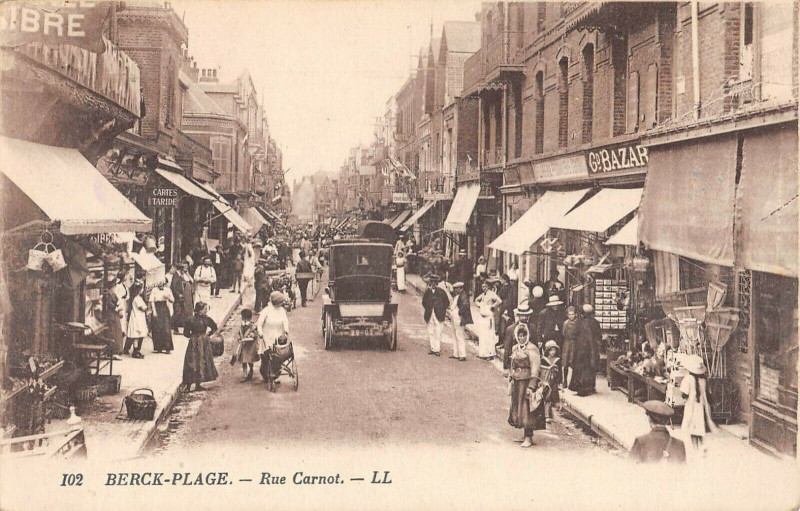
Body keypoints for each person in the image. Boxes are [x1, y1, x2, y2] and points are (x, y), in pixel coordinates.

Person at [507, 323, 547, 448]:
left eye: (524, 336)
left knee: (527, 409)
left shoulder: (532, 349)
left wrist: (531, 386)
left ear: (527, 336)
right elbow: (512, 365)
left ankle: (528, 437)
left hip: (526, 382)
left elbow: (536, 369)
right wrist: (511, 377)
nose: (522, 338)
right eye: (519, 336)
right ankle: (524, 435)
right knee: (518, 408)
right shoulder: (515, 348)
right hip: (517, 383)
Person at [680, 354, 717, 453]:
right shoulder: (704, 379)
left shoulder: (688, 379)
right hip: (702, 406)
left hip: (692, 406)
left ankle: (695, 448)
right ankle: (701, 446)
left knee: (692, 427)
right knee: (700, 427)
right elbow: (708, 393)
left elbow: (684, 394)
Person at [182, 302, 219, 392]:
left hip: (200, 342)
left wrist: (206, 335)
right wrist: (197, 337)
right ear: (199, 311)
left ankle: (197, 385)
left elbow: (214, 327)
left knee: (199, 362)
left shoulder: (205, 319)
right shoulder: (191, 320)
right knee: (192, 362)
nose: (206, 311)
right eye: (204, 309)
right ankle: (189, 385)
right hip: (196, 343)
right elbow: (185, 333)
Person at [256, 291, 290, 382]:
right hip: (266, 336)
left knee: (278, 356)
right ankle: (265, 375)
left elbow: (285, 321)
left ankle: (275, 375)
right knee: (266, 358)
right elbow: (259, 323)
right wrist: (260, 332)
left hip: (278, 337)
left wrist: (286, 330)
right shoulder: (266, 311)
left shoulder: (282, 311)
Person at [421, 274, 449, 357]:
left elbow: (446, 303)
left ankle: (437, 349)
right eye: (432, 282)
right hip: (429, 314)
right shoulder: (427, 292)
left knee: (438, 332)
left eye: (435, 282)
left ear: (437, 283)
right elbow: (424, 302)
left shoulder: (441, 292)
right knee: (430, 332)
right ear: (430, 283)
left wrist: (442, 310)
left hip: (439, 315)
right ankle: (433, 348)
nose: (433, 284)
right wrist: (428, 309)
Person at [474, 279, 502, 360]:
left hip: (488, 316)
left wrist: (492, 306)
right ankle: (483, 353)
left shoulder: (491, 294)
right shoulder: (483, 295)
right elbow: (476, 299)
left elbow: (499, 301)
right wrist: (479, 305)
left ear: (489, 287)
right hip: (482, 317)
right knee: (483, 335)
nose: (484, 288)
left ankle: (490, 354)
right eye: (483, 287)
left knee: (489, 335)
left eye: (485, 286)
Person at [503, 303, 534, 372]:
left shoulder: (532, 328)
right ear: (518, 315)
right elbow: (507, 348)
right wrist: (505, 367)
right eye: (522, 315)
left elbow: (535, 346)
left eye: (526, 315)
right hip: (515, 363)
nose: (524, 317)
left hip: (529, 363)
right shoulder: (511, 329)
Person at [102, 273, 125, 356]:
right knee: (114, 333)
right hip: (112, 314)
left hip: (115, 314)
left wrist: (118, 307)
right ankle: (115, 351)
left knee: (117, 332)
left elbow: (117, 302)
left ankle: (118, 350)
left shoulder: (112, 293)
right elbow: (110, 304)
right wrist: (116, 307)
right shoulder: (109, 294)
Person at [149, 281, 174, 354]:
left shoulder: (167, 290)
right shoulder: (154, 290)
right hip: (157, 307)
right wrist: (154, 311)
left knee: (166, 328)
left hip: (164, 307)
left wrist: (168, 297)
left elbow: (172, 300)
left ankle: (167, 347)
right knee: (157, 328)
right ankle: (158, 347)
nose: (161, 285)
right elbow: (151, 301)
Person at [124, 282, 148, 359]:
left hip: (138, 317)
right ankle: (135, 351)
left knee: (137, 335)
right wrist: (147, 308)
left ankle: (136, 350)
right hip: (137, 318)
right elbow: (143, 308)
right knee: (137, 334)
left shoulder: (136, 298)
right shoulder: (137, 298)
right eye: (141, 289)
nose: (142, 290)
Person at [234, 308, 259, 381]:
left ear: (245, 317)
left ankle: (251, 370)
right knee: (243, 360)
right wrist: (239, 337)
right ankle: (244, 374)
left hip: (250, 346)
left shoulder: (252, 326)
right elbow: (240, 333)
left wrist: (250, 336)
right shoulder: (242, 325)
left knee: (250, 360)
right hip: (244, 345)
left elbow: (254, 335)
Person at [540, 340, 562, 421]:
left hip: (554, 381)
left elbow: (560, 372)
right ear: (547, 350)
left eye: (554, 350)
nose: (553, 352)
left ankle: (549, 414)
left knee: (552, 397)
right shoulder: (543, 360)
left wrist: (560, 382)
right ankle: (545, 415)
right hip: (546, 381)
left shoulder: (558, 360)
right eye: (551, 350)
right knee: (546, 397)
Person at [450, 282, 470, 361]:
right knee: (455, 335)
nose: (455, 290)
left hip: (458, 318)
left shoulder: (463, 295)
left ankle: (462, 354)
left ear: (461, 288)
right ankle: (456, 353)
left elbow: (465, 306)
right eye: (455, 288)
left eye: (457, 288)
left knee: (460, 335)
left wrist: (459, 313)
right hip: (454, 318)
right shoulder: (457, 296)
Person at [171, 263, 193, 334]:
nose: (185, 270)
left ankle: (177, 328)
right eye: (184, 269)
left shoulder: (180, 275)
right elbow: (173, 287)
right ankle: (172, 326)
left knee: (182, 312)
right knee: (177, 312)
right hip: (177, 297)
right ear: (180, 269)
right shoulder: (176, 275)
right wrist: (178, 295)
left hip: (182, 297)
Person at [561, 305, 581, 387]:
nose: (571, 316)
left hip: (575, 343)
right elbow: (563, 333)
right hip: (567, 344)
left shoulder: (578, 323)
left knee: (573, 362)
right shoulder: (565, 323)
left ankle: (574, 382)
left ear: (575, 314)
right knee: (565, 363)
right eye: (570, 314)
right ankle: (565, 381)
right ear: (567, 315)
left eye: (573, 314)